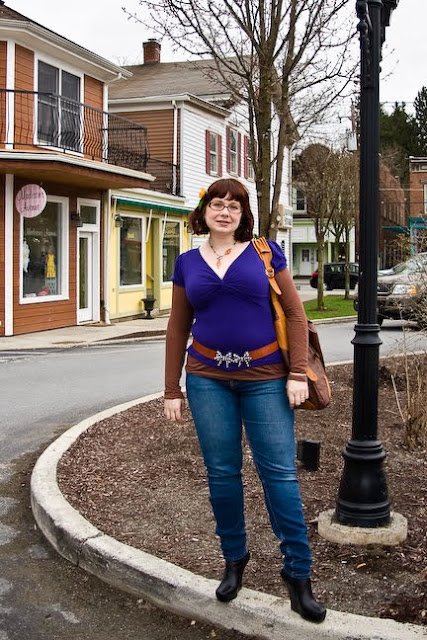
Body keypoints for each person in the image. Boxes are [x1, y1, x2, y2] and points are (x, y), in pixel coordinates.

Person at [164, 178, 326, 623]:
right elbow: (178, 328)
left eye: (234, 206)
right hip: (206, 380)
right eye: (218, 204)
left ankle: (298, 574)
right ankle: (234, 559)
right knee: (222, 474)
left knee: (279, 476)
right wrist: (171, 389)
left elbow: (294, 313)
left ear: (243, 215)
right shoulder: (187, 263)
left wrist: (296, 372)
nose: (225, 211)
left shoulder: (265, 253)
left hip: (266, 379)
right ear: (205, 212)